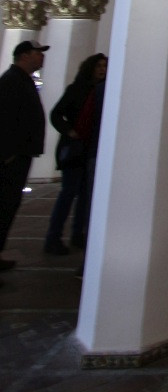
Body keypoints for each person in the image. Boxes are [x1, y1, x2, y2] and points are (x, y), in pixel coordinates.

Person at [44, 53, 107, 255]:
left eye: (105, 66)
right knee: (68, 192)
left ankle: (77, 234)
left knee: (86, 195)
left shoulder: (104, 90)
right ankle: (53, 237)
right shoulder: (77, 89)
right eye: (98, 65)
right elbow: (56, 114)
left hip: (91, 149)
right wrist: (70, 130)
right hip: (74, 149)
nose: (102, 69)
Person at [0, 39, 48, 273]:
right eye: (37, 53)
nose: (42, 57)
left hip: (20, 155)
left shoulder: (21, 80)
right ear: (24, 55)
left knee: (8, 207)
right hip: (10, 159)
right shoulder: (11, 82)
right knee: (3, 206)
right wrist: (7, 155)